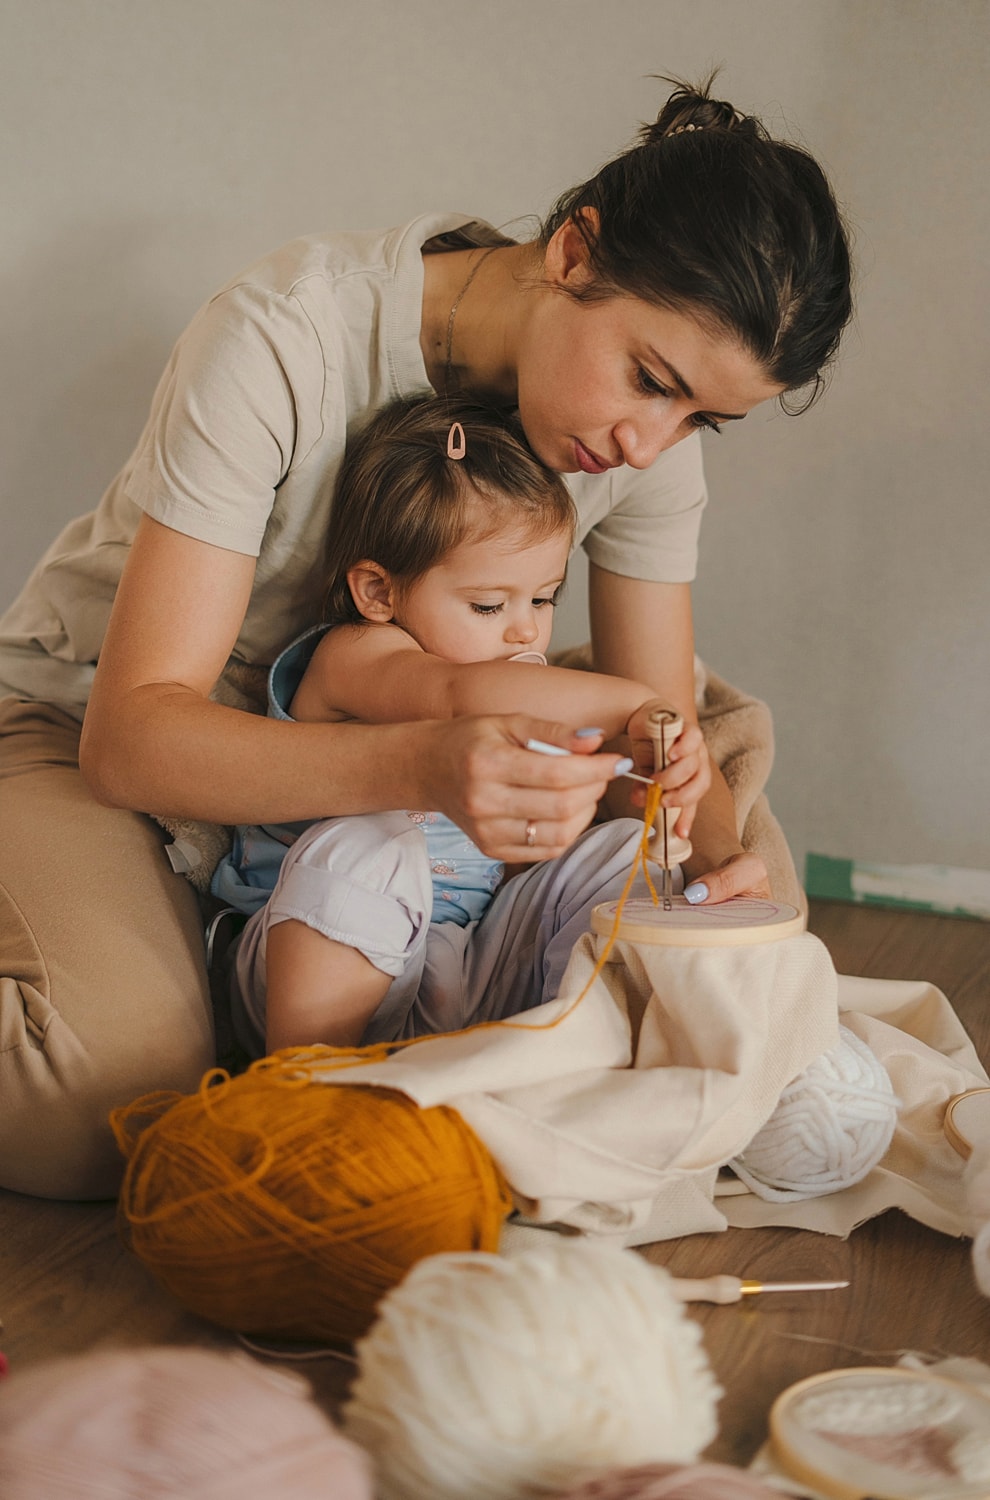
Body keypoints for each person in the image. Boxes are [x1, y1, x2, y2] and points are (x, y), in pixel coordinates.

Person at [0, 75, 852, 1198]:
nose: (652, 445)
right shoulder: (284, 337)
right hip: (116, 734)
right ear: (573, 252)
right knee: (94, 1105)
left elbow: (659, 710)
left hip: (427, 767)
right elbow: (134, 737)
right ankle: (216, 986)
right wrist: (416, 764)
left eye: (701, 419)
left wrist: (710, 846)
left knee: (731, 898)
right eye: (652, 381)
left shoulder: (640, 447)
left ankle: (297, 994)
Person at [221, 395, 701, 1056]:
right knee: (370, 849)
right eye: (487, 604)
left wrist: (648, 775)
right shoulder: (358, 656)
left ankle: (572, 1054)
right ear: (380, 593)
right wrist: (632, 706)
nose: (526, 628)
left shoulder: (521, 696)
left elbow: (527, 856)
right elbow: (452, 694)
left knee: (623, 852)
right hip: (309, 976)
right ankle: (305, 1094)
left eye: (543, 597)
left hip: (468, 968)